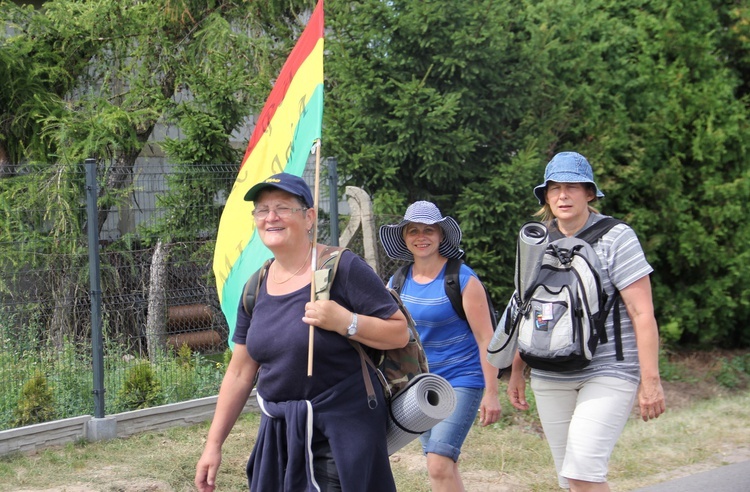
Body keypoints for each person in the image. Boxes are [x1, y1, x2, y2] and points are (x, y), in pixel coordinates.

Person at [195, 173, 409, 492]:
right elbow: (240, 372)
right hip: (281, 436)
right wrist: (213, 444)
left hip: (341, 435)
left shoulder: (341, 268)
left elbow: (399, 333)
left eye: (282, 207)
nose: (271, 217)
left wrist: (346, 321)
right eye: (262, 209)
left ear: (309, 217)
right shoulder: (255, 287)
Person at [506, 151, 666, 491]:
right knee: (569, 479)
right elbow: (526, 308)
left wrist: (650, 380)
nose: (563, 195)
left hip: (609, 369)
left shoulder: (617, 237)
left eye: (572, 187)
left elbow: (642, 313)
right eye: (554, 188)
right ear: (546, 197)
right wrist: (516, 370)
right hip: (549, 372)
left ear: (589, 193)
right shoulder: (536, 240)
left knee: (583, 472)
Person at [379, 201, 501, 492]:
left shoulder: (462, 279)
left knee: (438, 462)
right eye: (413, 231)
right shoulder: (397, 282)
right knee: (441, 466)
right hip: (420, 385)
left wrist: (492, 393)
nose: (421, 236)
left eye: (429, 230)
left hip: (462, 379)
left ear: (441, 236)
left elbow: (487, 338)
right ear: (404, 238)